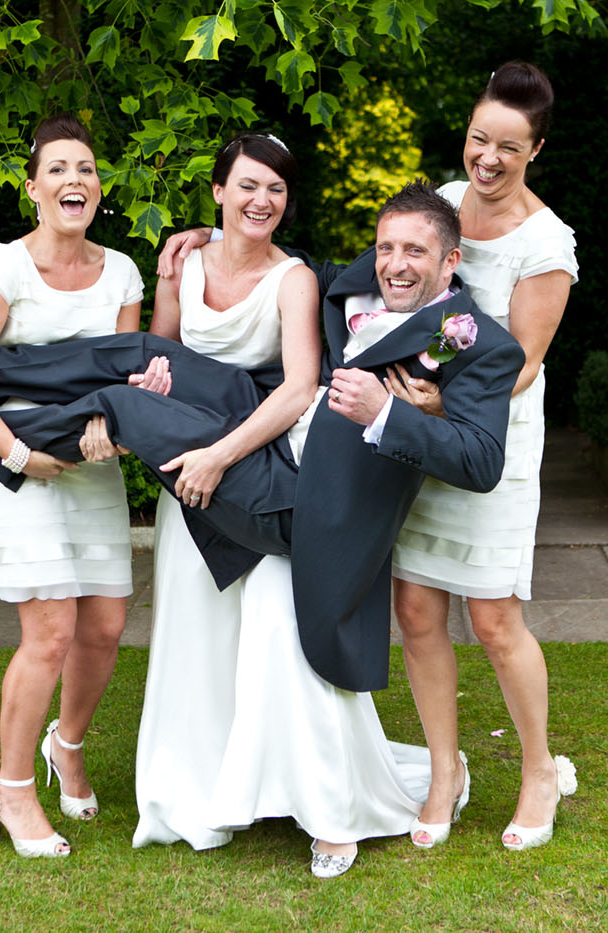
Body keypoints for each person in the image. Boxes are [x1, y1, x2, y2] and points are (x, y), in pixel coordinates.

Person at [0, 180, 525, 709]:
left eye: (414, 251)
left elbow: (480, 459)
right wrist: (211, 232)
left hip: (306, 499)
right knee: (151, 350)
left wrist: (390, 413)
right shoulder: (358, 281)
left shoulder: (475, 340)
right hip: (266, 426)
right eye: (386, 247)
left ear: (449, 261)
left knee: (127, 404)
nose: (395, 263)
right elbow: (267, 246)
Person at [106, 134, 435, 878]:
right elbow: (159, 358)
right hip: (190, 467)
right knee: (196, 631)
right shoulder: (180, 265)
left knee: (274, 623)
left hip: (260, 464)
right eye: (248, 186)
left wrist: (221, 457)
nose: (263, 201)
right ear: (218, 190)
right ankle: (201, 793)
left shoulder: (294, 280)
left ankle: (320, 799)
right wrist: (150, 398)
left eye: (277, 190)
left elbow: (297, 388)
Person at [0, 114, 143, 858]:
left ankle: (67, 743)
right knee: (48, 633)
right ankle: (13, 789)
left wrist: (110, 424)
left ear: (99, 187)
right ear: (33, 188)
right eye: (57, 168)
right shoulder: (6, 269)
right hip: (18, 467)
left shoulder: (121, 274)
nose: (73, 179)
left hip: (91, 465)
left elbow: (121, 379)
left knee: (105, 625)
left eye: (84, 167)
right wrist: (17, 453)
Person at [387, 62, 579, 851]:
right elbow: (403, 298)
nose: (487, 159)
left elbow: (522, 363)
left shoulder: (547, 241)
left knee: (495, 616)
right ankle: (445, 771)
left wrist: (447, 403)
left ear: (535, 148)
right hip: (424, 433)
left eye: (507, 146)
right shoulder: (440, 207)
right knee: (416, 608)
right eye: (477, 139)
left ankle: (539, 770)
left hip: (493, 439)